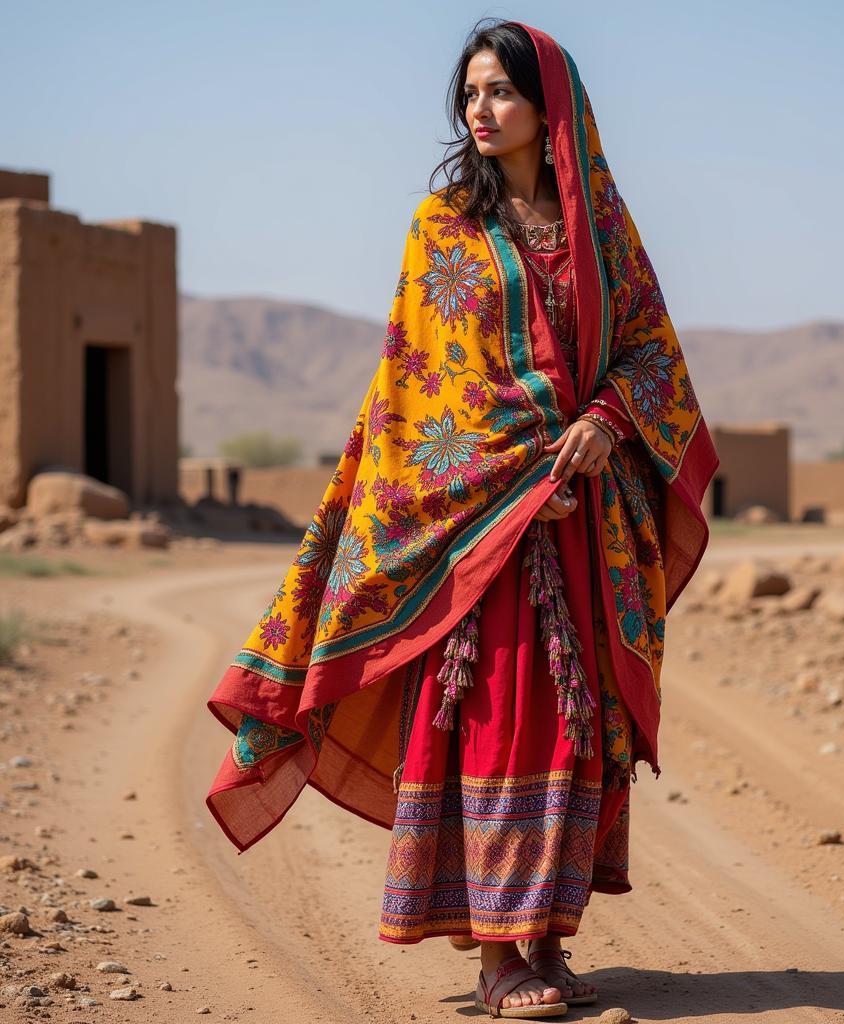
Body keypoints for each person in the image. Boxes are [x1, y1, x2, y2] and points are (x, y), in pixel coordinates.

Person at [205, 17, 719, 1020]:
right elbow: (428, 385)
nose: (478, 110)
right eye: (470, 93)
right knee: (499, 711)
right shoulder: (443, 225)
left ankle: (546, 936)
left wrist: (609, 423)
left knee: (580, 721)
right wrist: (535, 452)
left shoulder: (603, 231)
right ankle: (496, 958)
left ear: (549, 108)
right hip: (484, 524)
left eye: (499, 93)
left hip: (584, 520)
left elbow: (653, 355)